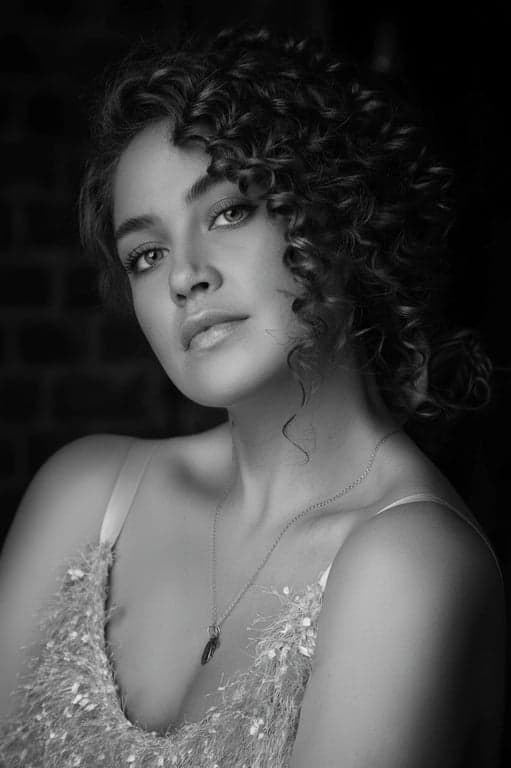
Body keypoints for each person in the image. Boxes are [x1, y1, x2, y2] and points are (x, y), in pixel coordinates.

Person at [0, 24, 506, 768]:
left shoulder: (412, 564)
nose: (184, 276)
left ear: (335, 215)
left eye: (229, 212)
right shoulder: (85, 497)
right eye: (147, 254)